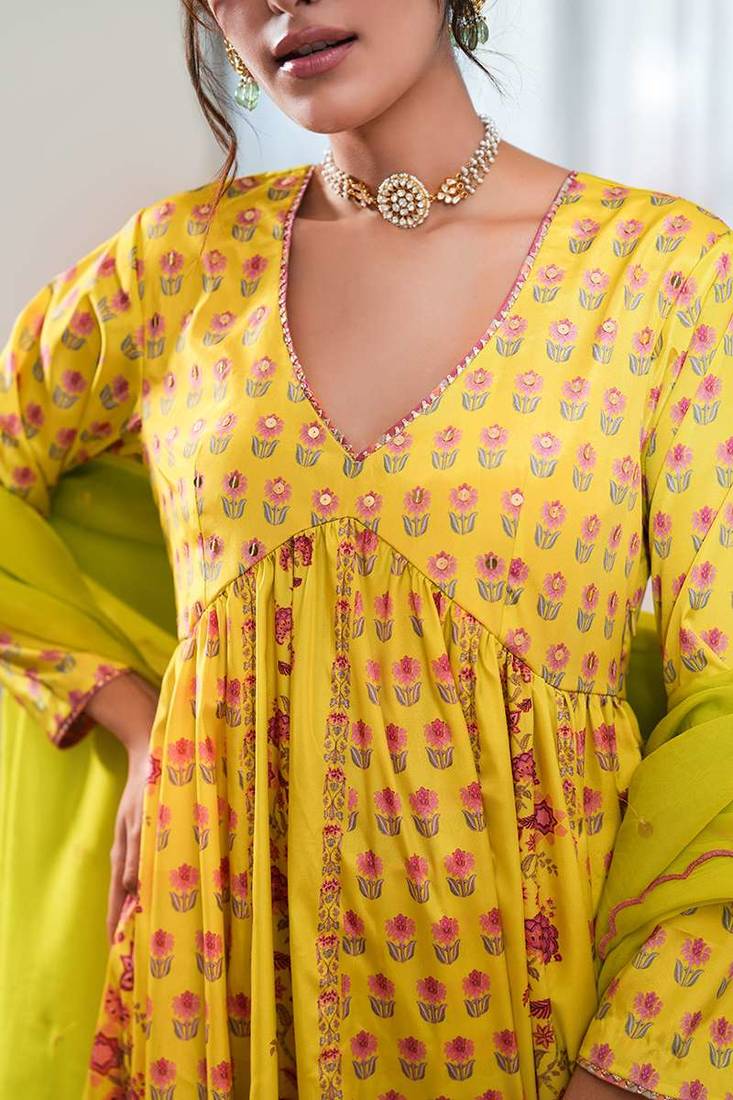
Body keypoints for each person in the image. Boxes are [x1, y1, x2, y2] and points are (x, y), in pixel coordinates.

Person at [1, 1, 732, 1096]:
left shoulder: (664, 276)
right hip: (217, 989)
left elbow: (723, 713)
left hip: (533, 1010)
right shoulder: (177, 267)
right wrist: (130, 711)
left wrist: (635, 1063)